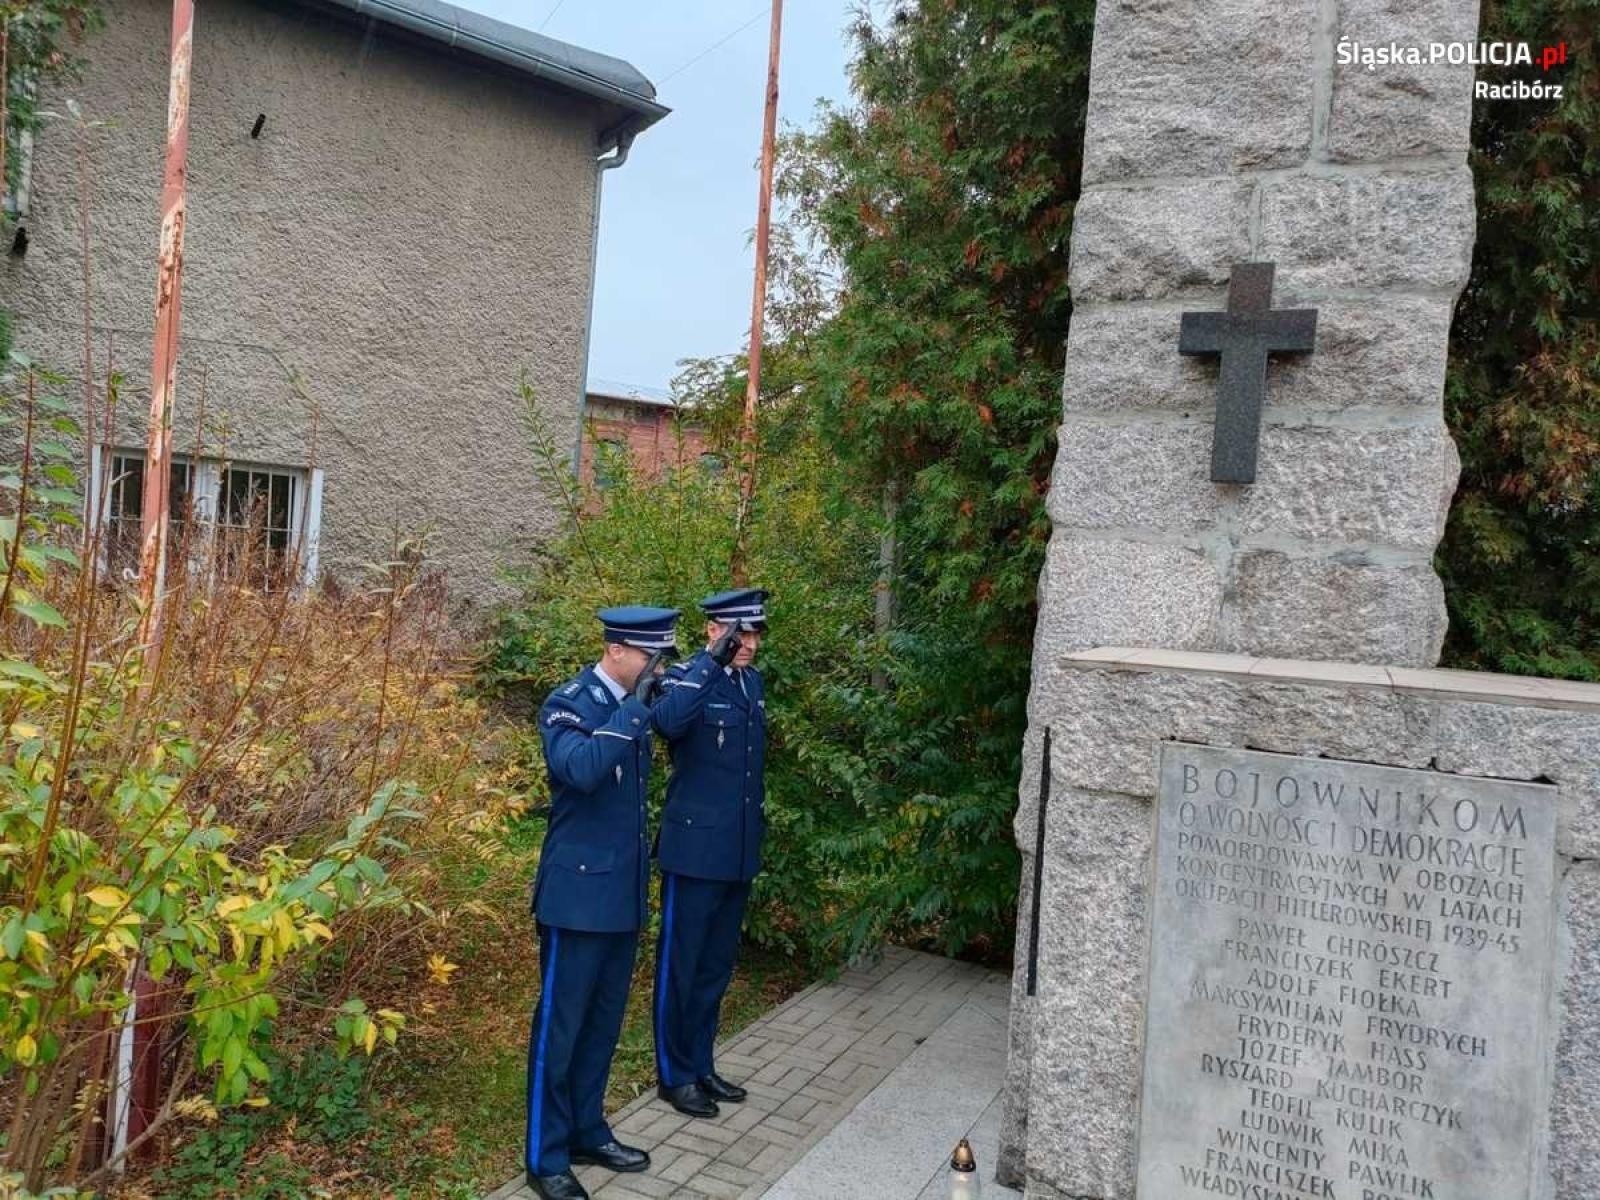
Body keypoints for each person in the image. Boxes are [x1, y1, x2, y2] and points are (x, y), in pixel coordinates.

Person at [524, 606, 679, 1200]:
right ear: (617, 650)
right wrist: (635, 706)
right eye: (649, 656)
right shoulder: (569, 703)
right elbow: (582, 771)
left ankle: (588, 1127)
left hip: (621, 893)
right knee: (559, 1031)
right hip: (576, 897)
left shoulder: (632, 699)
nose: (655, 667)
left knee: (602, 1025)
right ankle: (546, 1155)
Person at [648, 587, 770, 1118]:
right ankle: (673, 1075)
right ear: (712, 631)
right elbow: (669, 724)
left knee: (715, 967)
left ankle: (700, 1063)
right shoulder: (682, 679)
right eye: (736, 632)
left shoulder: (752, 683)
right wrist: (708, 664)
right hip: (693, 852)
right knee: (681, 965)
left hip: (736, 852)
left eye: (754, 632)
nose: (746, 643)